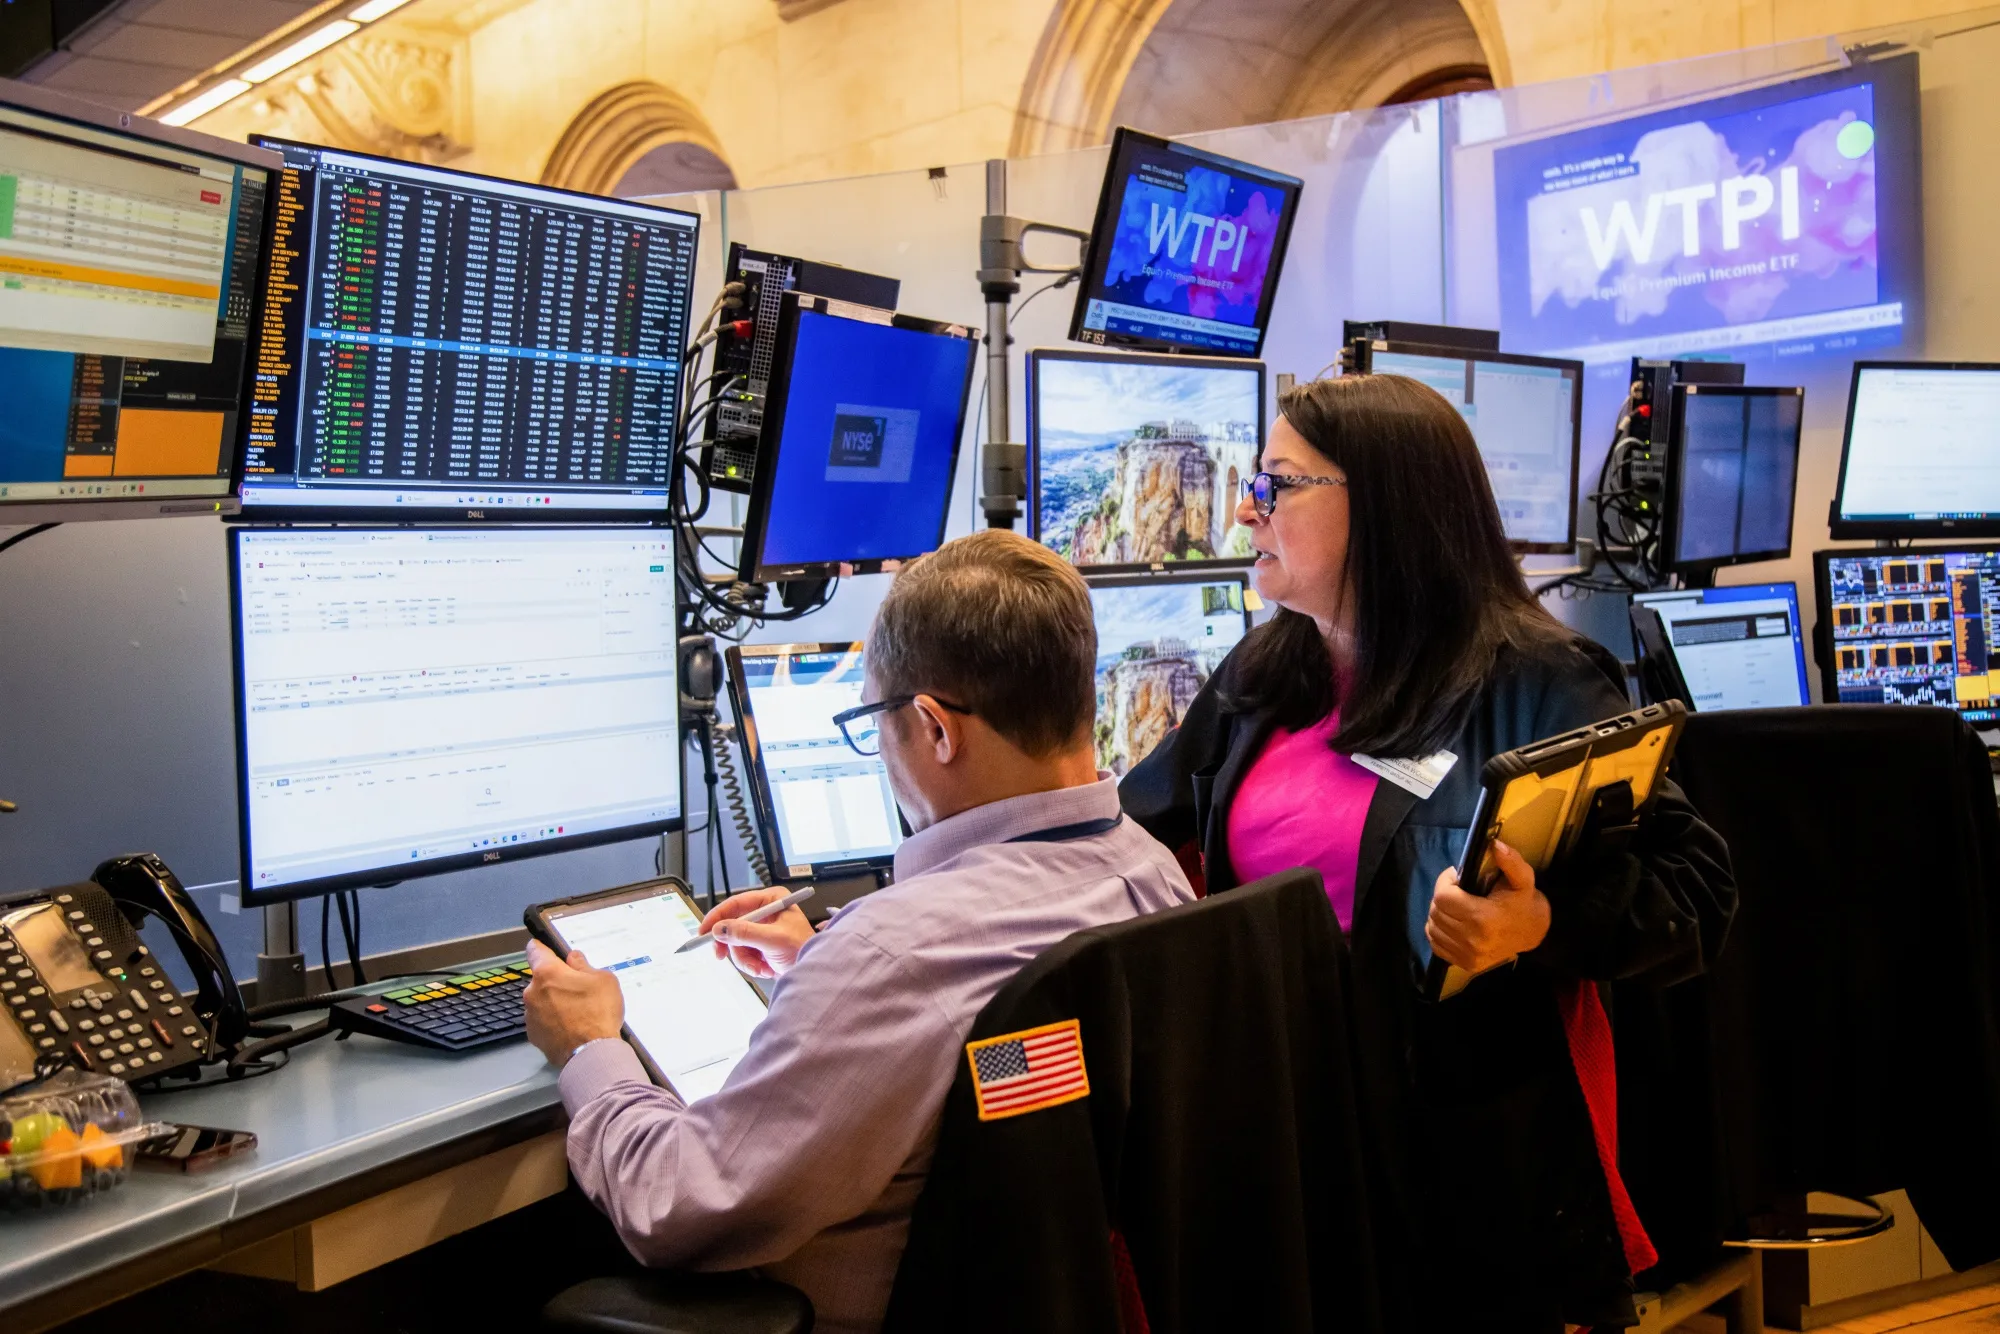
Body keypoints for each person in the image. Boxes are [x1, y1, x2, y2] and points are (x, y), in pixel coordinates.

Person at [1119, 373, 1736, 1332]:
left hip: (1454, 1157)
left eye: (1277, 483)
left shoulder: (1537, 681)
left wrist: (1539, 923)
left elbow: (1696, 890)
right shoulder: (1266, 672)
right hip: (1282, 1120)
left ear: (1386, 506)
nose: (1246, 506)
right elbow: (1136, 828)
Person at [523, 529, 1196, 1334]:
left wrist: (590, 1048)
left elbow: (677, 1207)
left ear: (936, 729)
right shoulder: (1151, 874)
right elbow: (1024, 1064)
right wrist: (824, 961)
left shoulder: (897, 954)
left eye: (875, 721)